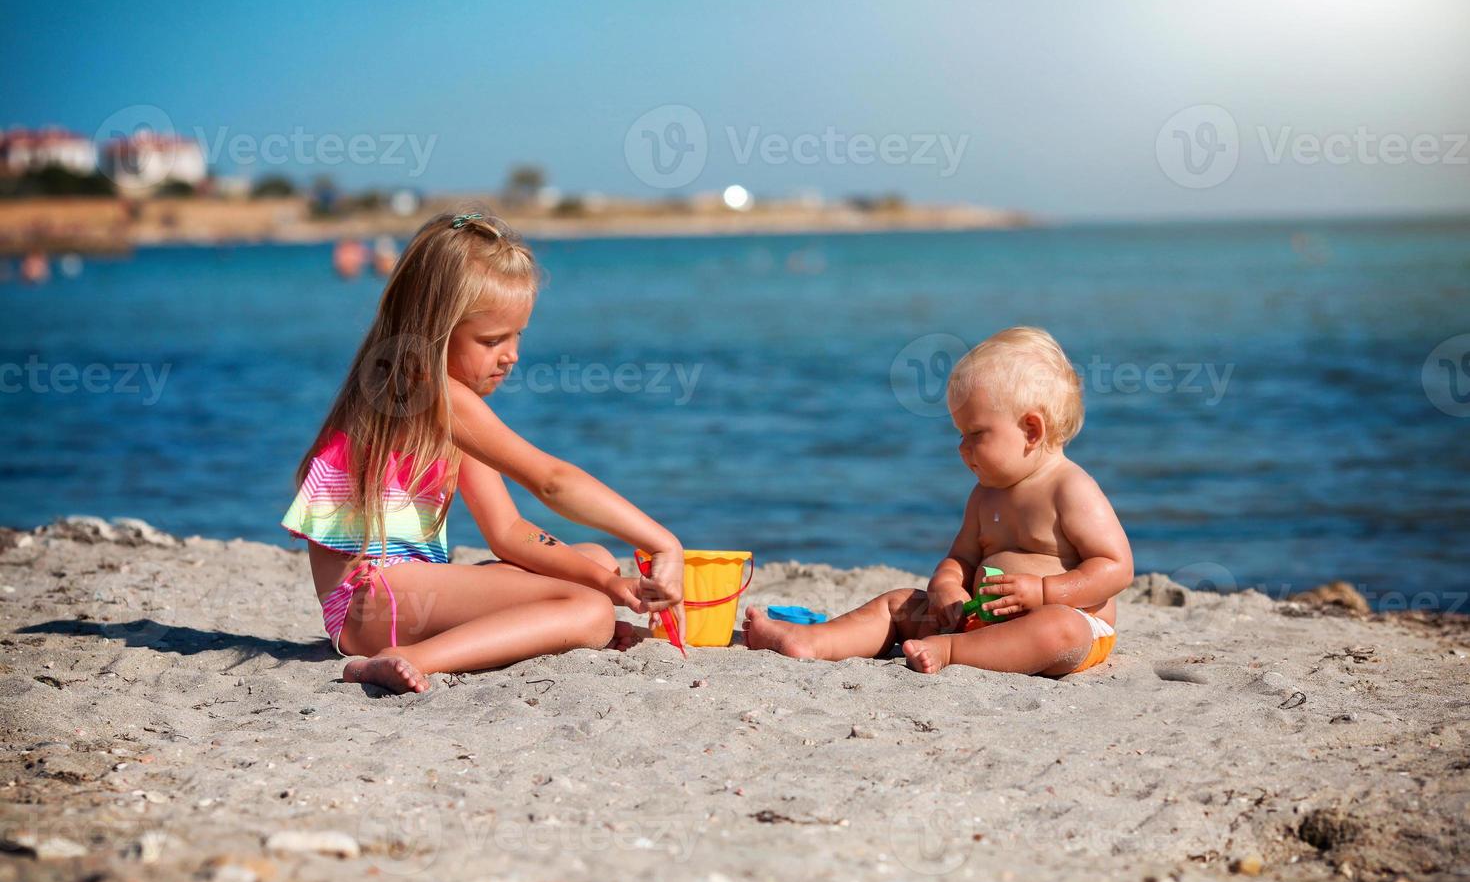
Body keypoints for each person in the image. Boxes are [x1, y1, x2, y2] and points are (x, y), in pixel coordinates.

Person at [283, 209, 684, 693]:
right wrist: (663, 543)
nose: (511, 354)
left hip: (405, 593)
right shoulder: (427, 392)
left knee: (597, 562)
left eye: (517, 336)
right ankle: (409, 657)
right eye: (492, 339)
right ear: (436, 329)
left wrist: (606, 580)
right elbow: (551, 481)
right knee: (592, 609)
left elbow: (508, 531)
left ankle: (524, 630)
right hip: (368, 604)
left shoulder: (440, 401)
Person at [745, 327, 1131, 676]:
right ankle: (814, 641)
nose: (962, 447)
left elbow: (1115, 567)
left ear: (1031, 430)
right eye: (960, 433)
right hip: (982, 620)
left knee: (1057, 631)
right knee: (898, 603)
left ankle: (951, 650)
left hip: (1069, 621)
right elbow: (961, 558)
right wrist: (946, 586)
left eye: (976, 433)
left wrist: (1045, 593)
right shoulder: (985, 495)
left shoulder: (1070, 488)